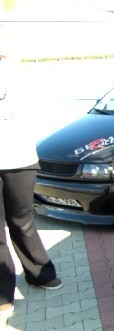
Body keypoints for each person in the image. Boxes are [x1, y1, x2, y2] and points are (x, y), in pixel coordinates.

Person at [0, 54, 62, 317]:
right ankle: (3, 291)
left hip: (20, 159)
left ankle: (39, 273)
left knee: (22, 221)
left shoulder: (14, 70)